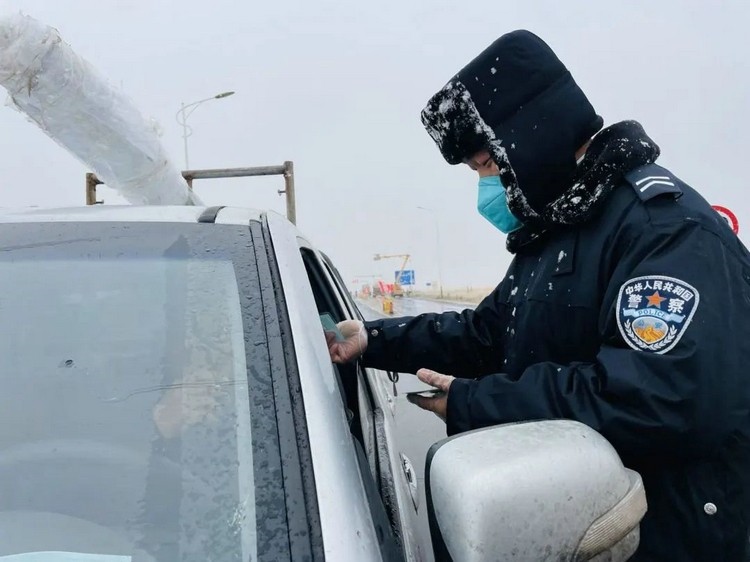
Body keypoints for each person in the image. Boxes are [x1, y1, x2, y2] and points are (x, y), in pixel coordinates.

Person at [327, 30, 750, 560]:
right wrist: (373, 339)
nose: (487, 186)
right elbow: (488, 333)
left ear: (531, 135)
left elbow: (656, 399)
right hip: (582, 528)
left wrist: (476, 403)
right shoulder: (557, 232)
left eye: (486, 165)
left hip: (662, 538)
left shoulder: (664, 232)